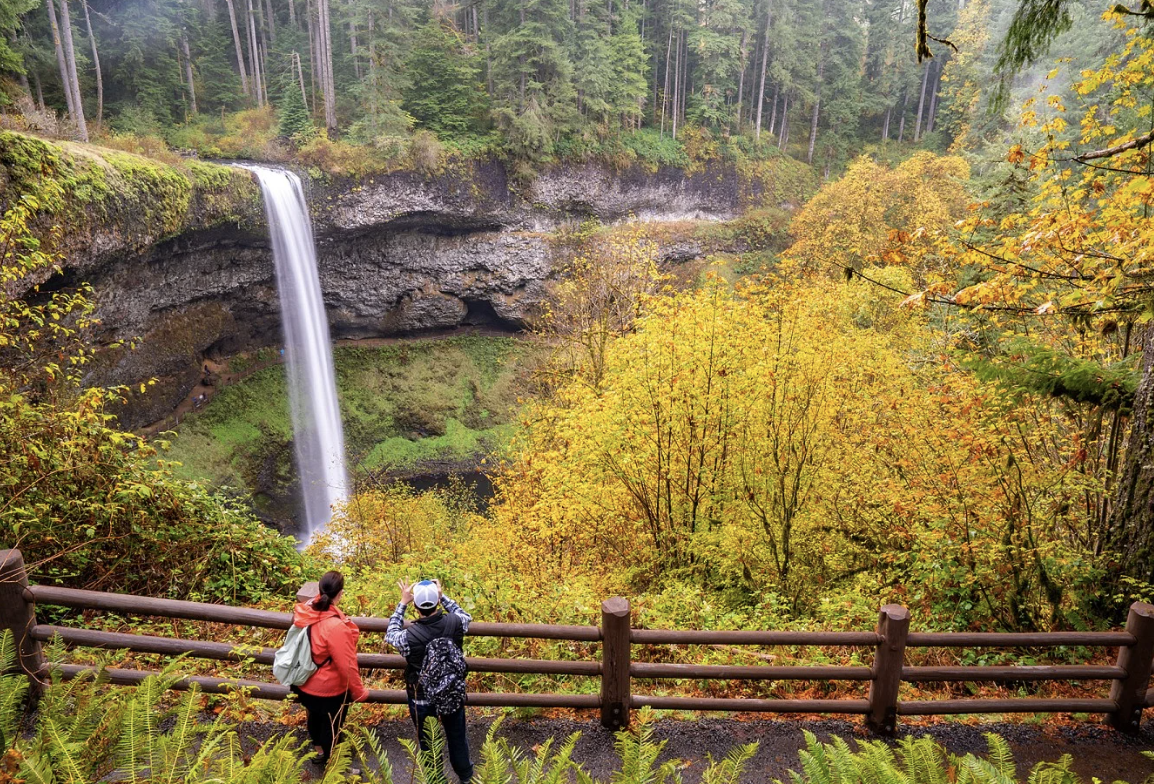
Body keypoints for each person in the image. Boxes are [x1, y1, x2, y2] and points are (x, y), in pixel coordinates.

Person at [386, 579, 473, 784]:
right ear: (437, 602)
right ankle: (466, 777)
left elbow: (391, 635)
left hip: (421, 695)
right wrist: (443, 597)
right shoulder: (455, 622)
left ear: (416, 606)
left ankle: (436, 779)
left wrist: (402, 603)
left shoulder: (409, 637)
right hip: (452, 690)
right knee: (457, 736)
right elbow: (465, 616)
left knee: (428, 741)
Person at [292, 570, 369, 771]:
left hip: (304, 681)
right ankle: (336, 766)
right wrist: (359, 692)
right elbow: (347, 665)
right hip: (329, 690)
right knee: (332, 728)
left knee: (314, 719)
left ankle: (319, 752)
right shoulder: (335, 627)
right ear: (340, 594)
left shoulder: (305, 611)